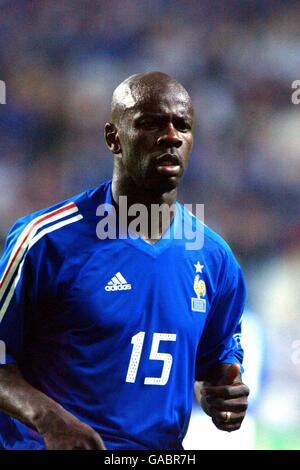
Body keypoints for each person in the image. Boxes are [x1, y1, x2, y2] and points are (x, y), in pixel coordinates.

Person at [0, 71, 249, 450]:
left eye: (182, 124)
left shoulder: (214, 258)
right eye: (150, 123)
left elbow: (218, 360)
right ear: (113, 138)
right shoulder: (45, 240)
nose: (171, 136)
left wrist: (223, 390)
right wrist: (49, 420)